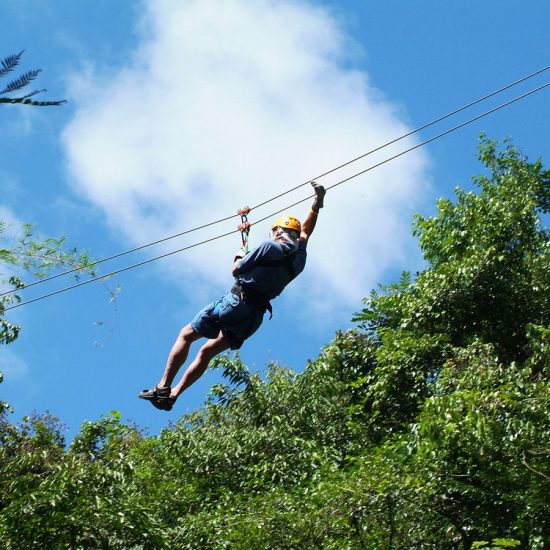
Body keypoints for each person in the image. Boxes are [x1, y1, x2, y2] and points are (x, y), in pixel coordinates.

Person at [138, 182, 326, 411]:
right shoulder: (298, 261)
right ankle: (174, 395)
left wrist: (239, 255)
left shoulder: (269, 246)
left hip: (236, 303)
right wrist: (316, 205)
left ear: (277, 231)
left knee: (186, 335)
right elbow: (306, 232)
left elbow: (236, 270)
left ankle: (163, 387)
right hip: (252, 320)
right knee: (207, 352)